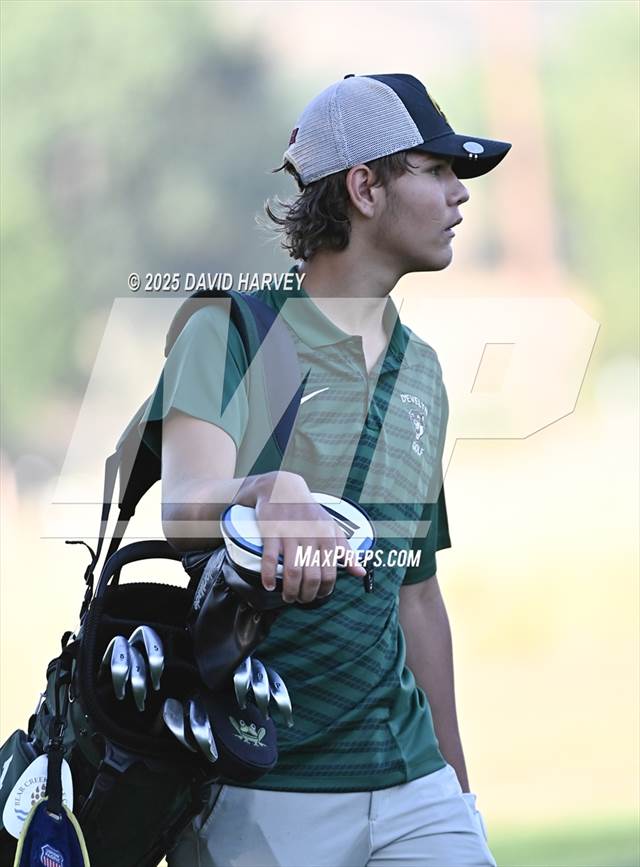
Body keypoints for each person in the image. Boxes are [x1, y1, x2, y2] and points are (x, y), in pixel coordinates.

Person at [147, 73, 510, 867]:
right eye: (437, 169)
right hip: (261, 784)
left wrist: (459, 791)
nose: (459, 194)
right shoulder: (236, 330)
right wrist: (266, 492)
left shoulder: (424, 373)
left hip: (413, 781)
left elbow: (416, 596)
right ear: (364, 187)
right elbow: (184, 505)